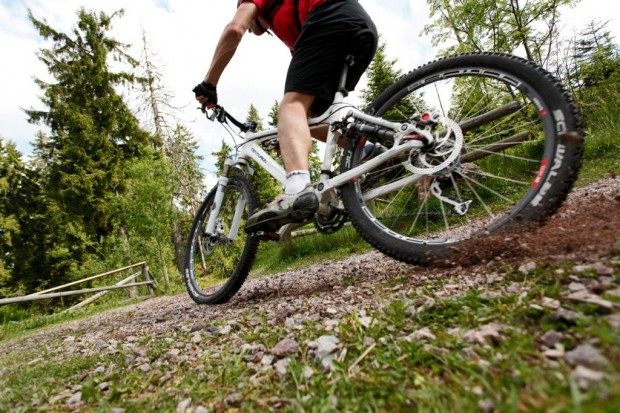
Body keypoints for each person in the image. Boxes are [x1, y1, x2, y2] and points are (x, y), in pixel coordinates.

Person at [194, 0, 377, 235]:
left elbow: (234, 29)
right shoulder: (286, 20)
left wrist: (209, 83)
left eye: (250, 21)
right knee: (308, 117)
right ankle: (368, 150)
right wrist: (288, 134)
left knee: (290, 107)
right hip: (359, 26)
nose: (250, 28)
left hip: (329, 15)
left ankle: (297, 190)